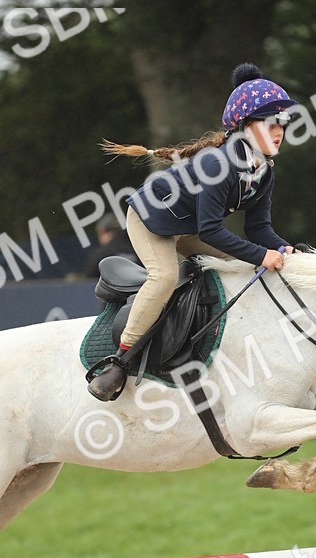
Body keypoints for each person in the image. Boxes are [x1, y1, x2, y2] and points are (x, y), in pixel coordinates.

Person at [87, 62, 298, 401]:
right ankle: (120, 359)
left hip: (186, 225)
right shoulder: (219, 164)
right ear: (244, 127)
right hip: (150, 220)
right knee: (164, 277)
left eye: (283, 123)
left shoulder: (264, 171)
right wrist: (262, 254)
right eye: (270, 123)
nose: (279, 131)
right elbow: (212, 231)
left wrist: (286, 250)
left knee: (244, 267)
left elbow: (259, 228)